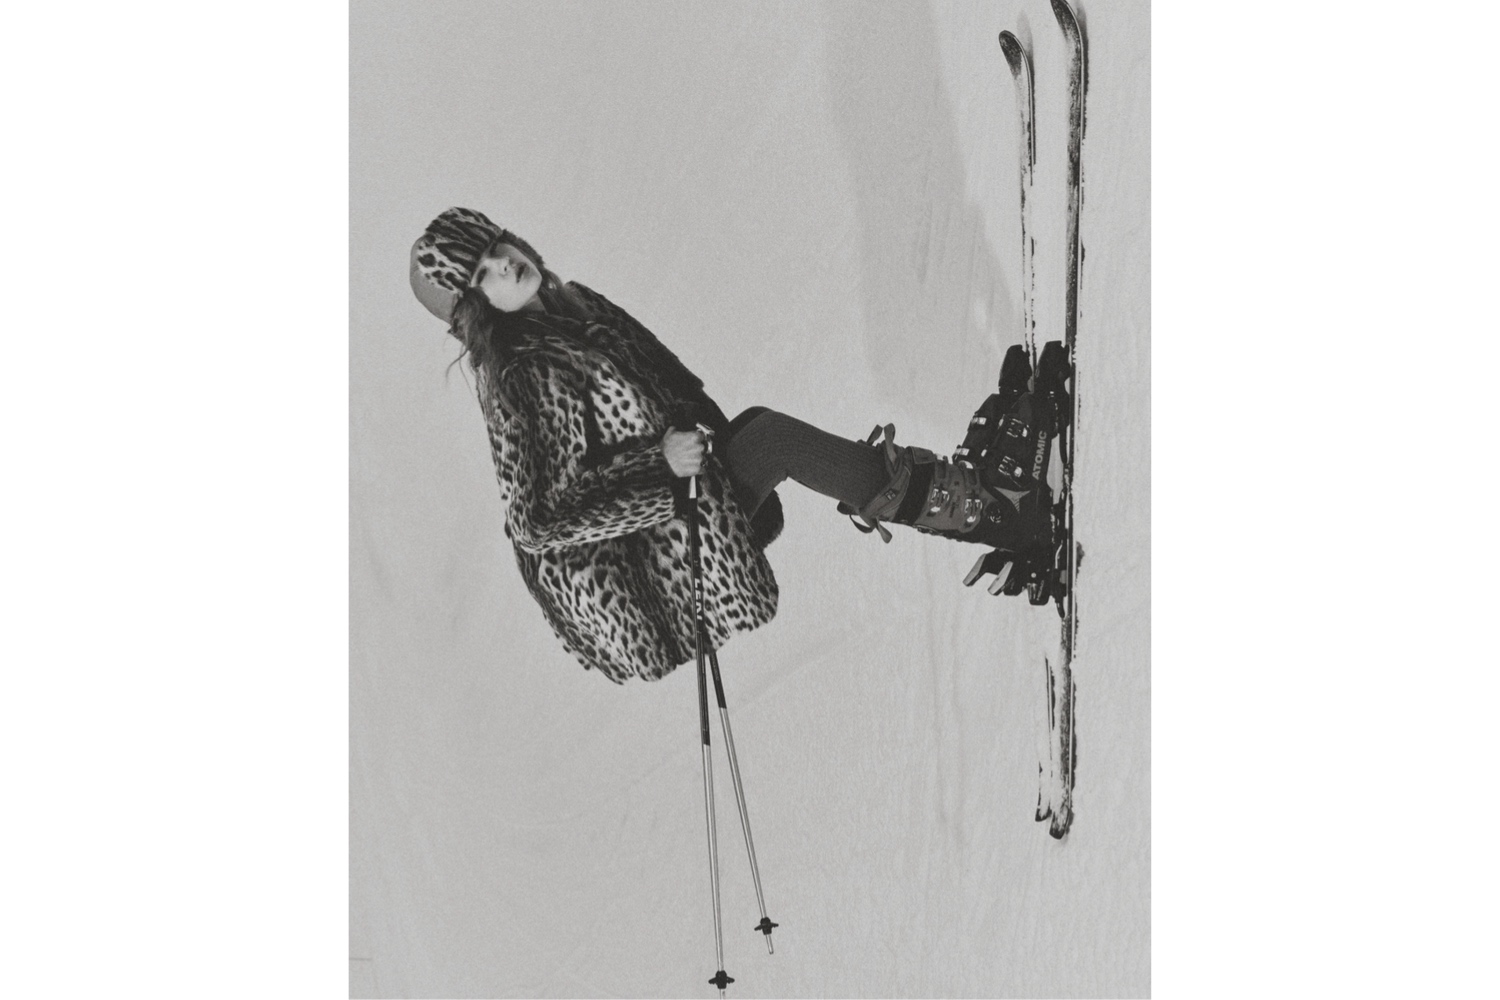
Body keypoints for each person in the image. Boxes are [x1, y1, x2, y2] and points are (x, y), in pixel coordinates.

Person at [409, 207, 1053, 684]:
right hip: (653, 566)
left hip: (679, 505)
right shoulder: (522, 379)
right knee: (771, 440)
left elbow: (672, 389)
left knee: (760, 429)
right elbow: (540, 520)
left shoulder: (575, 307)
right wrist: (660, 471)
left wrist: (695, 439)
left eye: (498, 247)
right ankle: (997, 511)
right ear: (475, 310)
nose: (506, 265)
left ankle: (969, 499)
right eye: (484, 274)